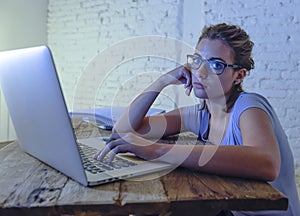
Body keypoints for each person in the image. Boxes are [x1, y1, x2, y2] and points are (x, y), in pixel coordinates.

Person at [94, 23, 300, 215]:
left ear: (239, 76)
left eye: (216, 65)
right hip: (231, 208)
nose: (201, 72)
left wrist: (157, 150)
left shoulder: (249, 107)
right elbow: (123, 131)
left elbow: (268, 164)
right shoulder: (199, 114)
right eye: (197, 61)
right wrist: (163, 81)